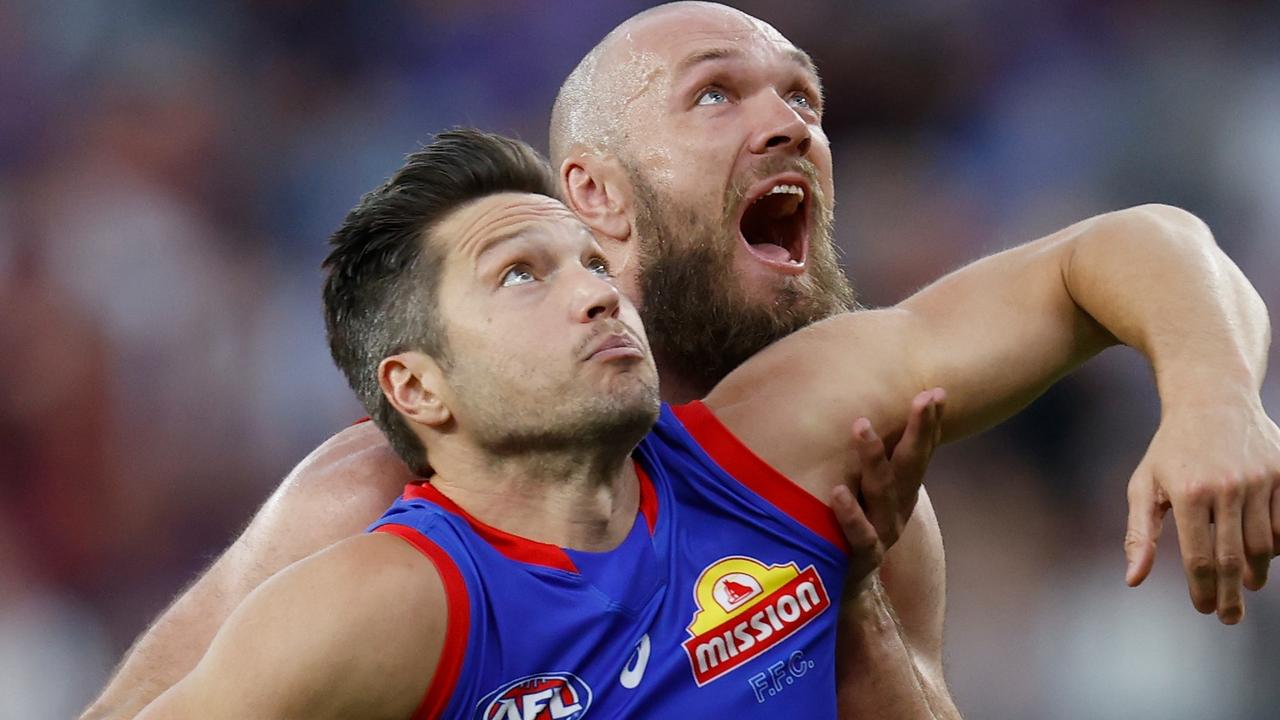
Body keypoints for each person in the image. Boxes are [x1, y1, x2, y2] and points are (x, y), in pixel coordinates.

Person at [84, 3, 1280, 719]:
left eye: (802, 98)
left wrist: (1217, 393)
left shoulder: (832, 450)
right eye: (716, 95)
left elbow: (1128, 247)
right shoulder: (372, 520)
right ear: (591, 196)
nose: (790, 124)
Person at [136, 126, 946, 719]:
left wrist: (857, 604)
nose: (600, 293)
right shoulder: (378, 594)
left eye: (594, 263)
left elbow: (1037, 293)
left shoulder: (795, 486)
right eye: (520, 275)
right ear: (417, 387)